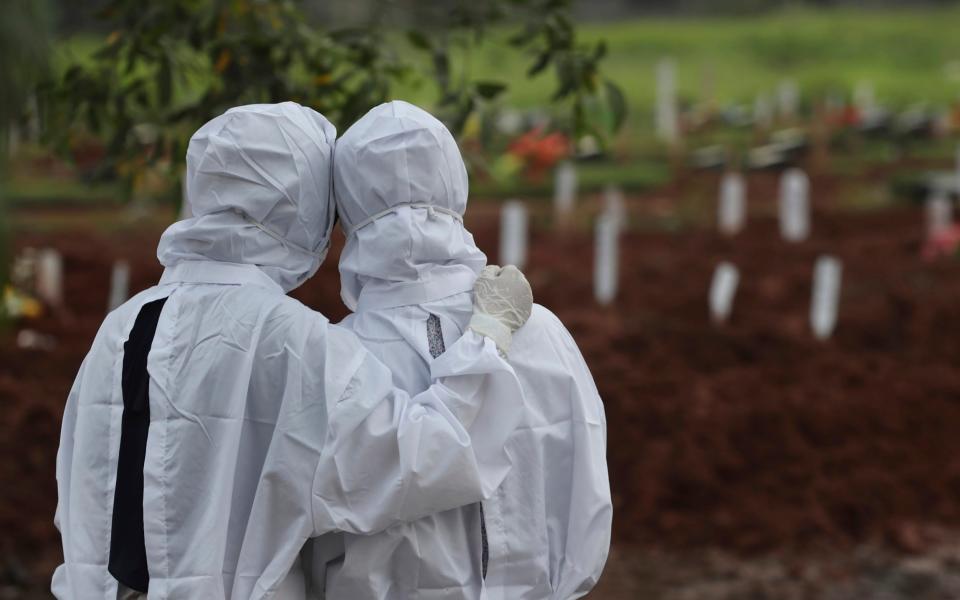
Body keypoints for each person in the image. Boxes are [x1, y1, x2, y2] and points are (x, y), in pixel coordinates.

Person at [52, 102, 535, 600]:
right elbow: (422, 459)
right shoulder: (288, 337)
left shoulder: (121, 327)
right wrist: (488, 337)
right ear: (299, 203)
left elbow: (81, 499)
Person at [308, 100, 612, 599]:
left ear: (344, 207)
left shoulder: (331, 357)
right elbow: (584, 495)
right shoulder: (542, 332)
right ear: (455, 182)